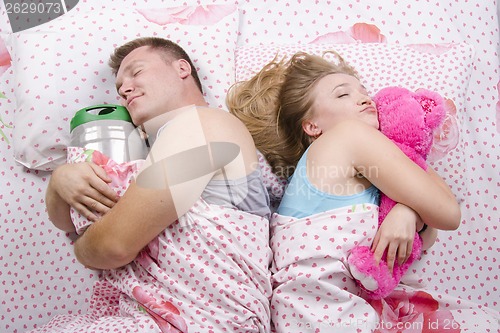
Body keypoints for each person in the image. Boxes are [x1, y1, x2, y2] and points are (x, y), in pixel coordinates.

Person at [41, 37, 273, 333]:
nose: (124, 89)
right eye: (119, 87)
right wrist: (59, 182)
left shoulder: (201, 124)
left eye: (136, 73)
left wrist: (83, 247)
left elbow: (112, 246)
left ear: (182, 68)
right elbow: (70, 223)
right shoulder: (146, 156)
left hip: (204, 319)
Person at [226, 51, 463, 332]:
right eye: (342, 95)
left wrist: (407, 211)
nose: (364, 99)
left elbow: (429, 232)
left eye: (364, 91)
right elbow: (448, 213)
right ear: (312, 126)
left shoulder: (342, 166)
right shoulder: (348, 136)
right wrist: (412, 207)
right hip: (323, 317)